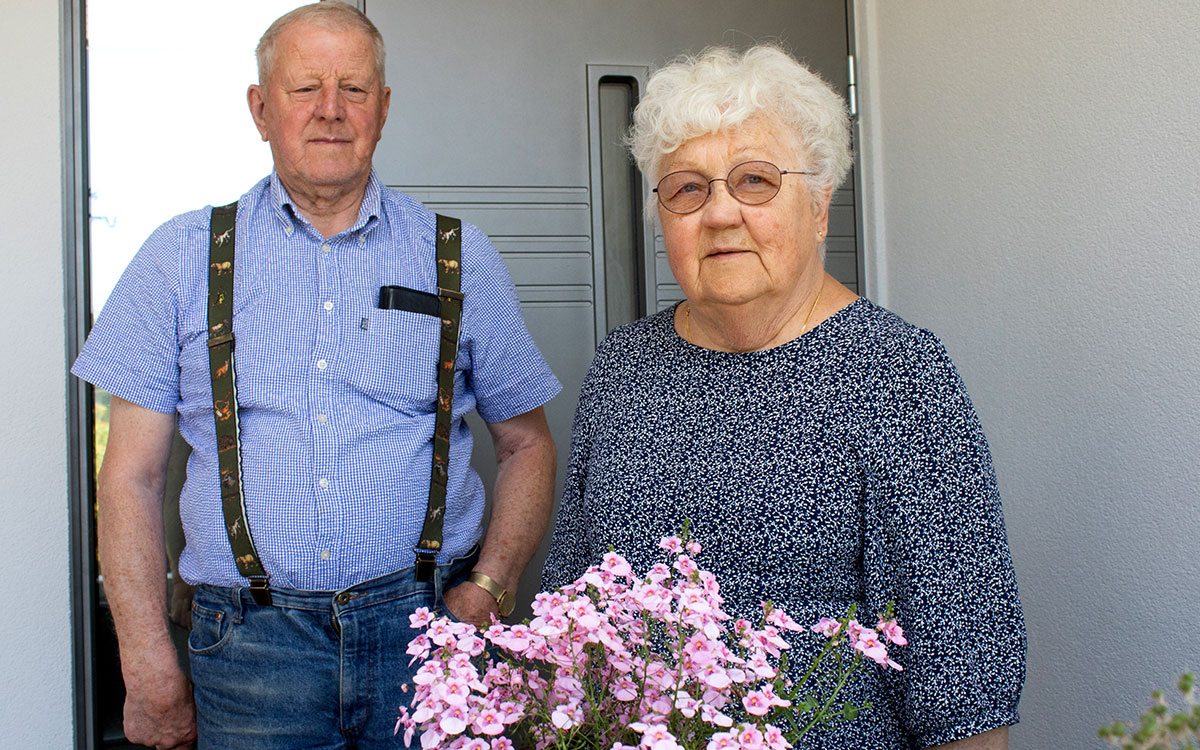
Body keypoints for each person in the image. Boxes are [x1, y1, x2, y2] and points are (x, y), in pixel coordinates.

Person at [72, 3, 560, 749]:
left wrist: (490, 585)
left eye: (354, 89)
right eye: (305, 89)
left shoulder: (461, 255)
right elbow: (129, 480)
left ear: (384, 109)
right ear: (261, 109)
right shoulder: (178, 257)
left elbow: (528, 444)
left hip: (430, 642)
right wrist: (144, 663)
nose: (330, 111)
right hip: (247, 653)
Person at [542, 45, 1024, 750]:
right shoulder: (623, 366)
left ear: (820, 202)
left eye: (755, 181)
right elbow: (572, 602)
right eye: (687, 189)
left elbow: (963, 673)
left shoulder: (897, 372)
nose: (719, 213)